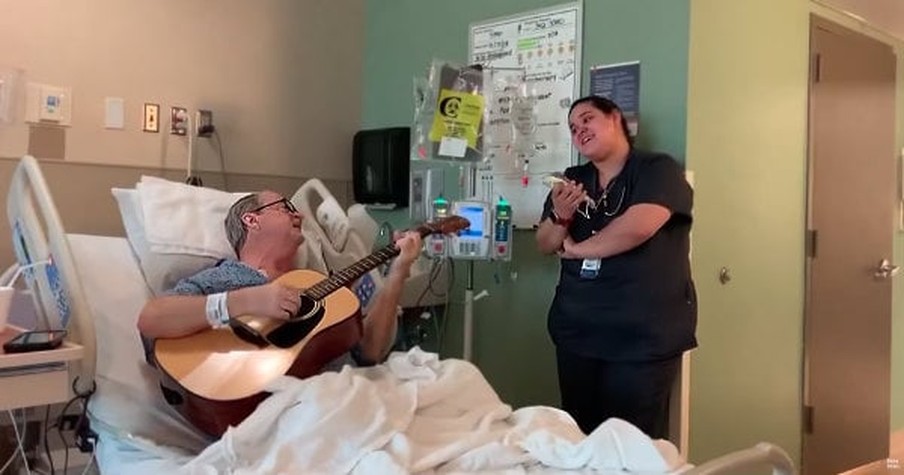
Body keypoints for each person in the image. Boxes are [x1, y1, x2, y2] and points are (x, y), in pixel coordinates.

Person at [536, 95, 697, 439]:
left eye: (587, 119)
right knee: (581, 438)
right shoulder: (572, 180)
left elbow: (639, 226)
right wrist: (560, 215)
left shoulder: (657, 170)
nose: (579, 130)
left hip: (639, 339)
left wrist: (579, 250)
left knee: (630, 443)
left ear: (615, 119)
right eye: (573, 128)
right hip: (578, 334)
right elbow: (545, 243)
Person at [138, 189, 422, 369]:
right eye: (284, 207)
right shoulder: (224, 278)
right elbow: (151, 320)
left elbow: (369, 353)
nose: (297, 213)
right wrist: (247, 300)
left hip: (334, 396)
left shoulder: (318, 286)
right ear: (252, 220)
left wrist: (399, 271)